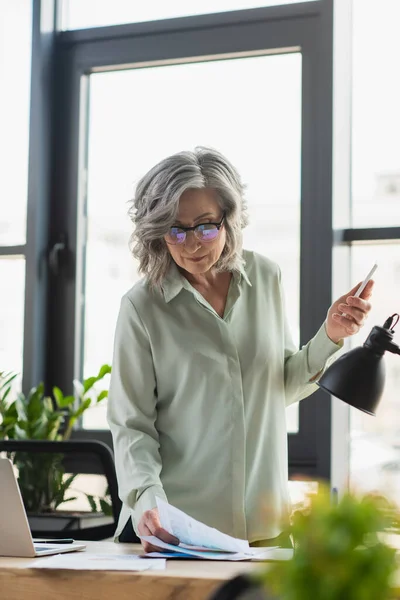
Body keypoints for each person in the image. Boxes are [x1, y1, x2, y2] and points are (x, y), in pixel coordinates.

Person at [107, 147, 373, 551]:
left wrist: (331, 335)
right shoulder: (142, 306)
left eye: (205, 227)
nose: (191, 244)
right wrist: (147, 500)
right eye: (175, 230)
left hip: (264, 523)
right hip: (175, 527)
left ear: (229, 219)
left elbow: (278, 387)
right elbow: (132, 426)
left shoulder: (266, 277)